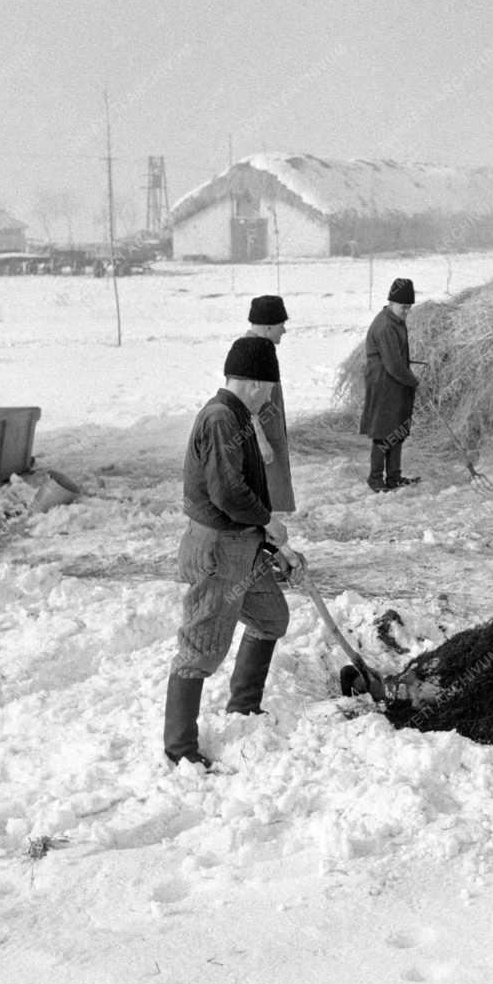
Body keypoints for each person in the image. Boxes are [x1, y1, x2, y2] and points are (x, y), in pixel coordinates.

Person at [163, 335, 303, 769]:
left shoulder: (234, 415)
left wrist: (265, 538)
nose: (268, 399)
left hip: (243, 544)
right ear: (259, 384)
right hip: (220, 549)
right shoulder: (223, 418)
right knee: (200, 647)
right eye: (269, 390)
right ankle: (179, 750)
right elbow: (227, 493)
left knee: (270, 618)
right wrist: (267, 521)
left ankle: (244, 706)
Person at [360, 277, 420, 492]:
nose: (406, 311)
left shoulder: (395, 320)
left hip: (395, 383)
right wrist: (413, 381)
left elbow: (397, 359)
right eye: (403, 307)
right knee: (383, 432)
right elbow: (394, 365)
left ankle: (394, 477)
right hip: (384, 383)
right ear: (392, 302)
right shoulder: (386, 326)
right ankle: (375, 480)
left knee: (397, 429)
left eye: (409, 307)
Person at [245, 294, 295, 513]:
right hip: (262, 440)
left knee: (272, 498)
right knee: (267, 499)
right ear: (267, 327)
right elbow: (247, 405)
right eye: (281, 324)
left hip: (270, 434)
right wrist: (261, 441)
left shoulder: (262, 349)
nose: (284, 330)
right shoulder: (253, 352)